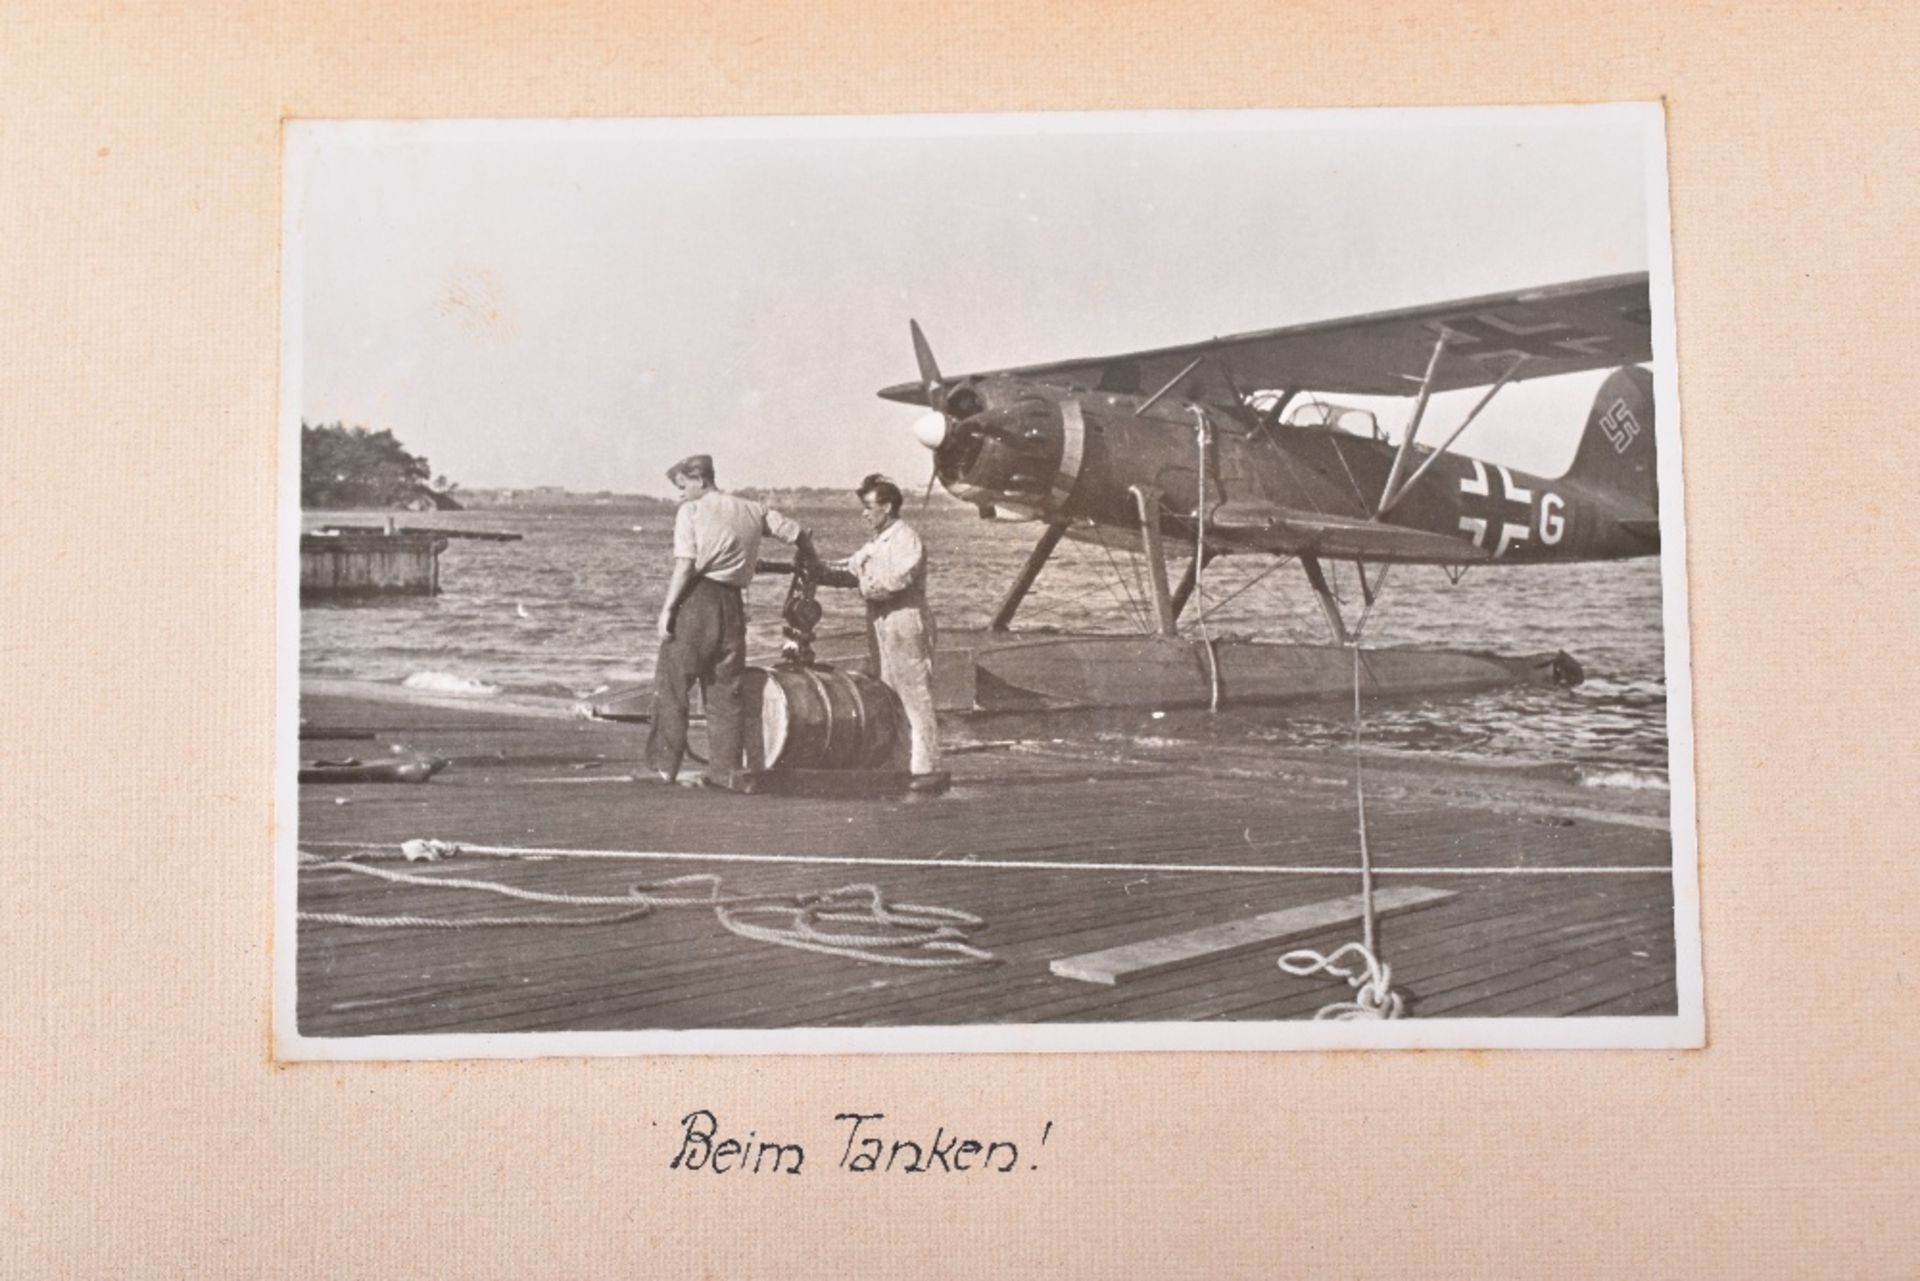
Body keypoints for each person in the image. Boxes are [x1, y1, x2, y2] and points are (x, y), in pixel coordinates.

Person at [648, 454, 815, 788]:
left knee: (673, 684)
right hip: (733, 604)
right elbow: (796, 533)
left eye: (682, 487)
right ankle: (724, 771)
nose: (679, 495)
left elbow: (685, 565)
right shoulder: (753, 509)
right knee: (726, 689)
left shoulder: (691, 511)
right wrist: (809, 558)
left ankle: (664, 768)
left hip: (698, 600)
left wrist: (667, 610)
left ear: (698, 480)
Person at [831, 475, 944, 791]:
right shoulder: (877, 542)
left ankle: (927, 769)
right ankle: (899, 763)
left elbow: (895, 582)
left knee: (915, 694)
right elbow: (850, 565)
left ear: (888, 506)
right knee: (889, 692)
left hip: (905, 621)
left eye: (868, 507)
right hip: (883, 623)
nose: (864, 514)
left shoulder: (906, 539)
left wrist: (863, 584)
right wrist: (817, 567)